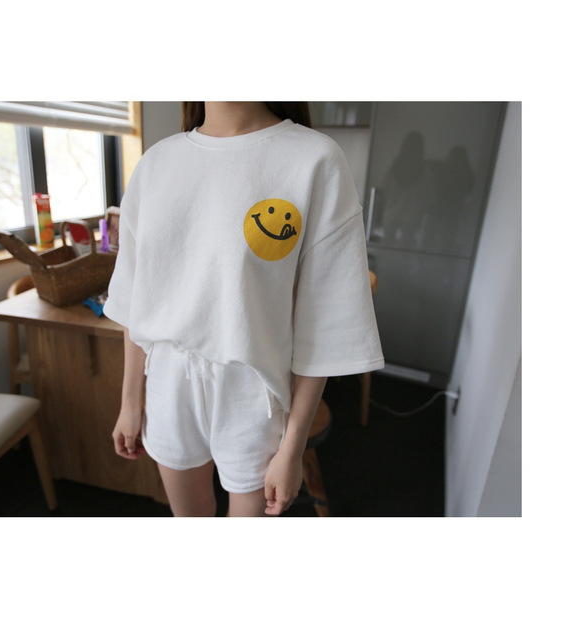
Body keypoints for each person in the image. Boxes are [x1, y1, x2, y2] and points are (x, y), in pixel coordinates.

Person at [104, 102, 384, 517]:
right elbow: (134, 296)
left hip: (253, 388)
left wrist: (292, 447)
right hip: (167, 380)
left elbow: (325, 321)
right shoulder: (156, 163)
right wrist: (130, 403)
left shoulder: (314, 159)